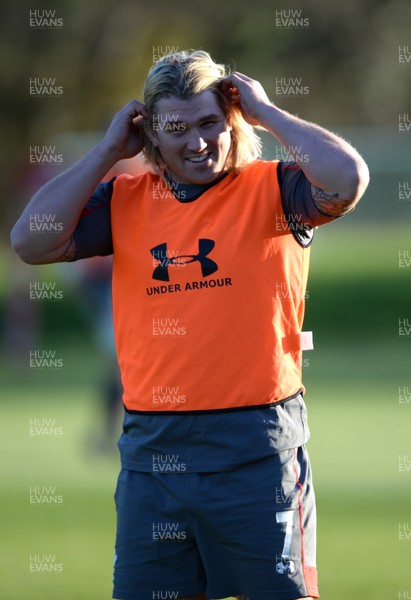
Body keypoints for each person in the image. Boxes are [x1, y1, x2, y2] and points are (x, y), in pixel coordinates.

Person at [11, 50, 369, 600]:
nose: (197, 142)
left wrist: (267, 112)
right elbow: (29, 241)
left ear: (232, 121)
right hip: (153, 464)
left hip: (257, 457)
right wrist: (108, 150)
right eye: (176, 128)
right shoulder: (125, 199)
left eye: (209, 123)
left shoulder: (276, 189)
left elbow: (347, 178)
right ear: (151, 135)